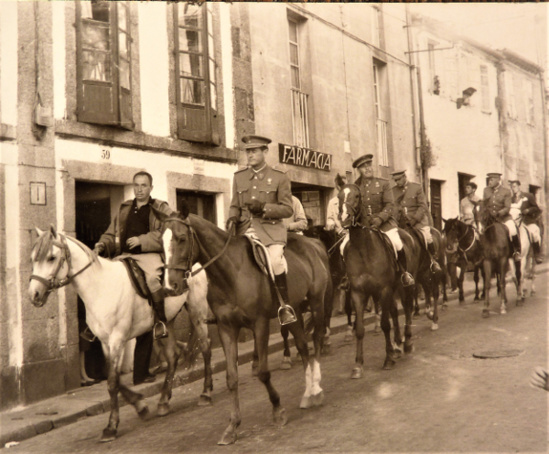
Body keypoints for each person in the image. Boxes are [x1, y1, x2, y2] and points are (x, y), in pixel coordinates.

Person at [94, 171, 174, 385]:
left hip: (149, 256)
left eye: (144, 185)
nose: (140, 189)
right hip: (125, 256)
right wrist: (103, 244)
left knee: (152, 281)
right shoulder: (125, 209)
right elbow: (112, 234)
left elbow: (169, 232)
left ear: (151, 187)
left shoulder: (160, 208)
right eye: (136, 185)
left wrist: (143, 240)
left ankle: (159, 321)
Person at [226, 135, 296, 325]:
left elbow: (287, 209)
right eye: (248, 151)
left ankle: (284, 306)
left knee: (275, 262)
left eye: (254, 151)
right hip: (244, 231)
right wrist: (232, 217)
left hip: (270, 232)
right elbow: (234, 204)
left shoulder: (279, 177)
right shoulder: (239, 177)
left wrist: (264, 207)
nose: (250, 155)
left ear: (265, 152)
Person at [353, 155, 415, 286]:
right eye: (364, 167)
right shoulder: (355, 187)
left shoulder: (383, 183)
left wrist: (379, 219)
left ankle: (404, 273)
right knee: (344, 247)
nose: (368, 168)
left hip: (384, 224)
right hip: (363, 226)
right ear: (358, 170)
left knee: (397, 243)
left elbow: (389, 205)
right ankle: (349, 277)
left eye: (369, 165)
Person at [391, 169, 442, 274]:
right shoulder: (393, 191)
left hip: (418, 222)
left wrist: (414, 220)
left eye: (399, 179)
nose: (397, 182)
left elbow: (422, 206)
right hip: (401, 224)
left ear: (404, 177)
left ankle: (433, 260)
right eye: (395, 180)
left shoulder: (416, 187)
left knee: (427, 237)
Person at [482, 172, 520, 261]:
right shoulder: (486, 190)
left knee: (512, 229)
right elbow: (484, 204)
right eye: (488, 180)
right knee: (480, 231)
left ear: (498, 180)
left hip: (503, 218)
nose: (489, 182)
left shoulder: (506, 191)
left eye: (491, 180)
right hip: (490, 219)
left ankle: (516, 251)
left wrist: (499, 213)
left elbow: (507, 207)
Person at [509, 180, 543, 264]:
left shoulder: (528, 196)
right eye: (512, 187)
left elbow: (536, 208)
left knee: (534, 233)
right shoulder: (511, 199)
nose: (513, 189)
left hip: (527, 220)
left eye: (514, 186)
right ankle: (515, 253)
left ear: (519, 186)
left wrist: (528, 210)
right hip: (515, 222)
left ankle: (537, 254)